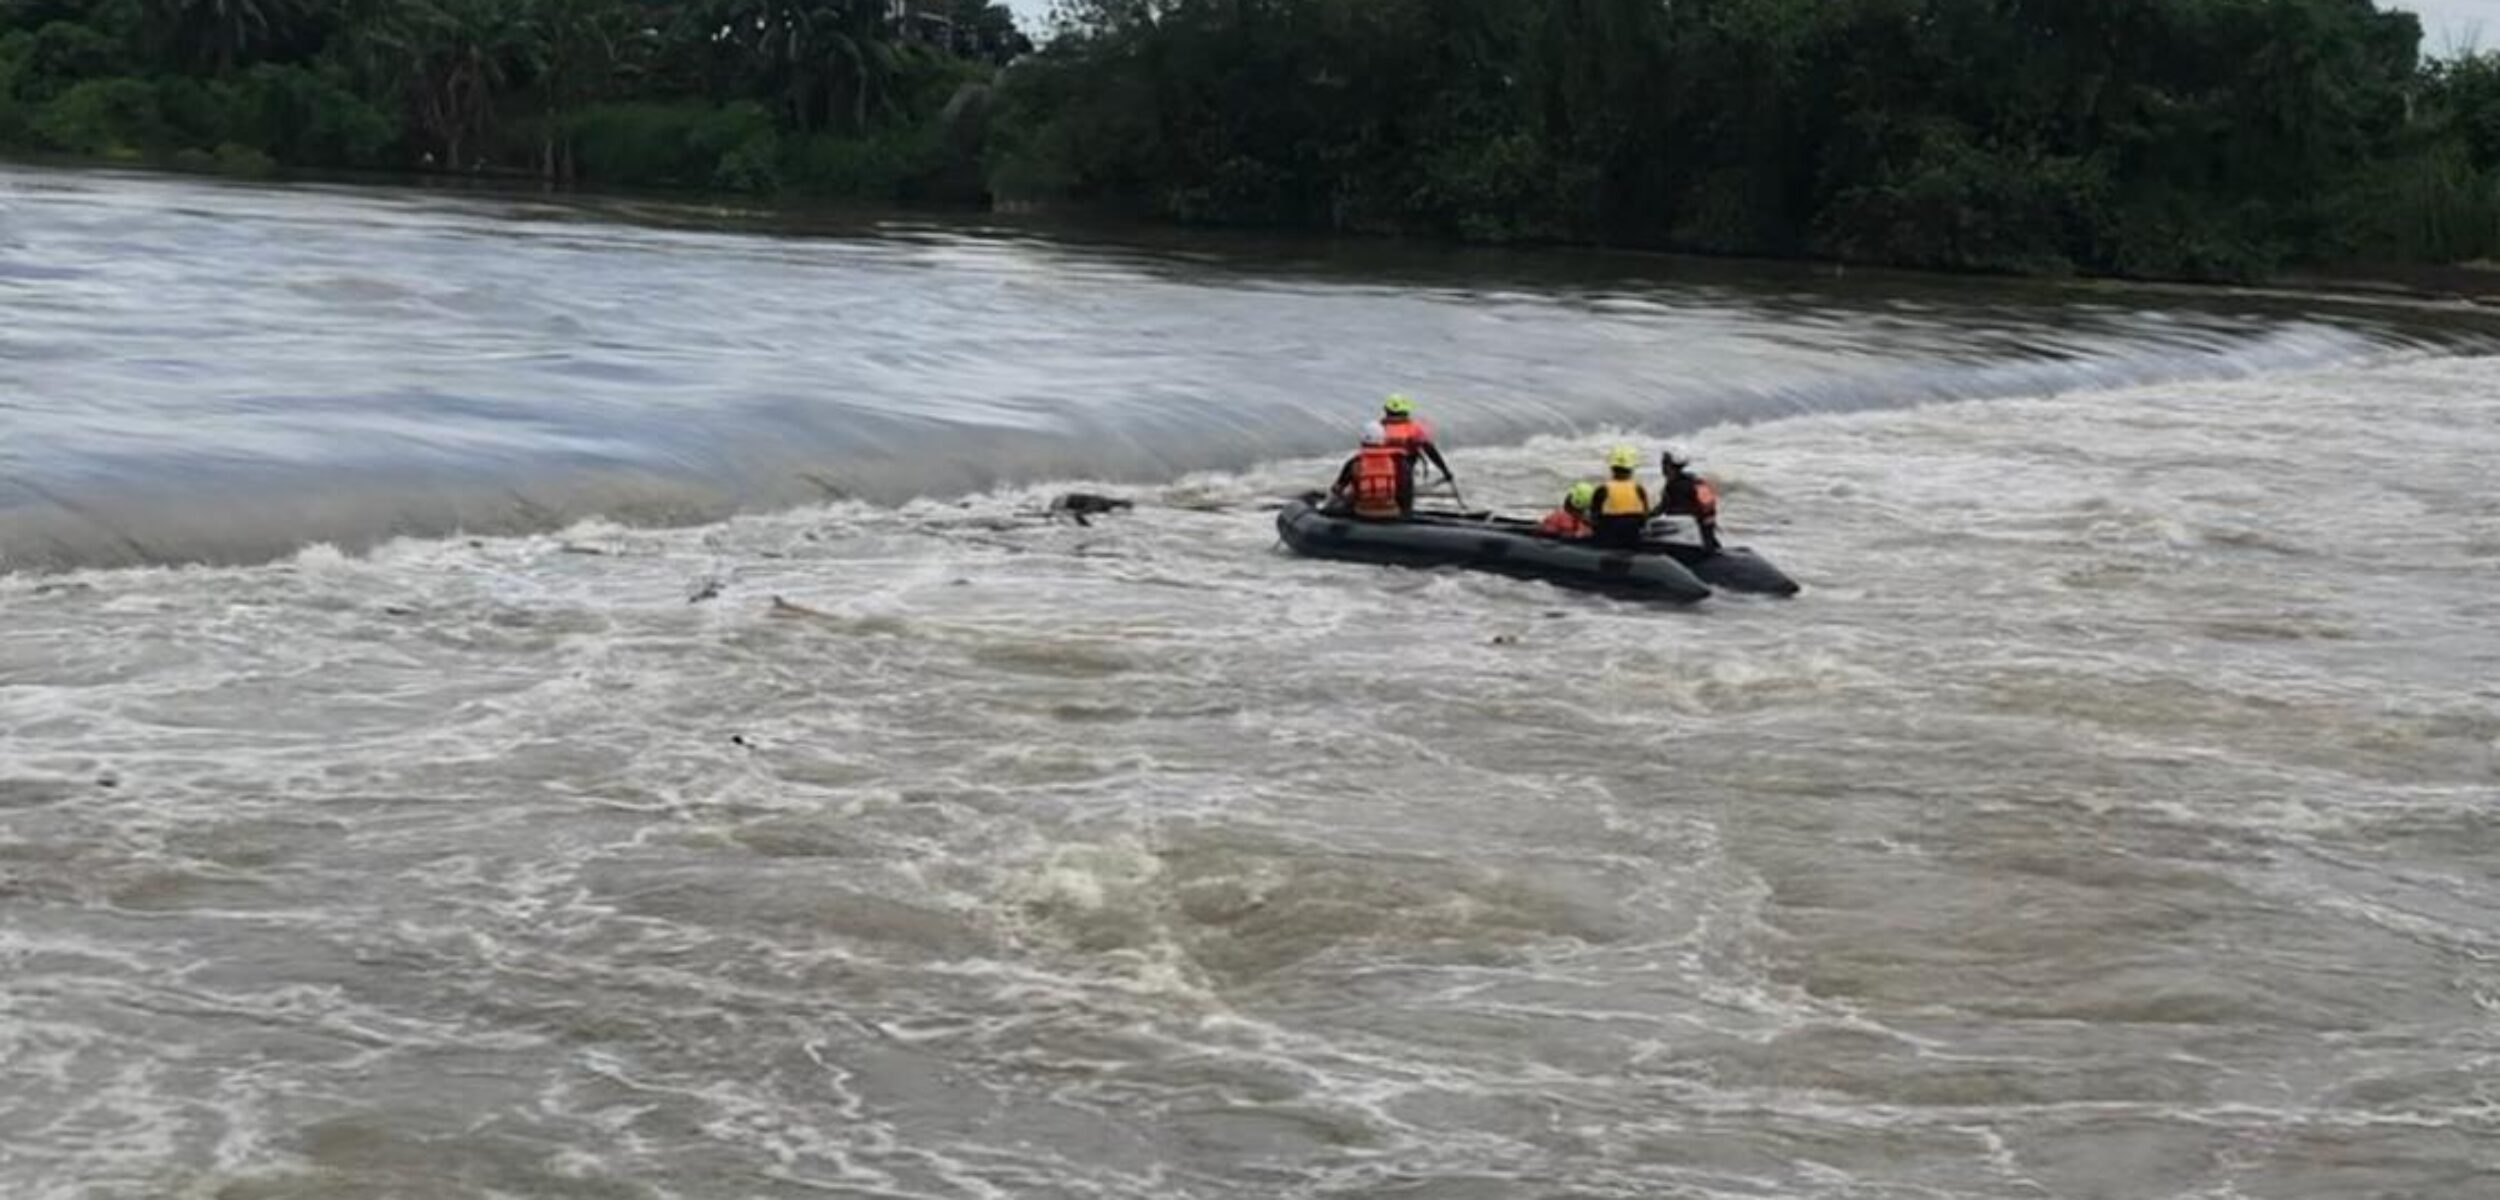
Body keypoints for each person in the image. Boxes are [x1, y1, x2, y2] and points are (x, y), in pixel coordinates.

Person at [1326, 421, 1414, 518]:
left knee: (1346, 496)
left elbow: (1337, 490)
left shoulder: (1355, 462)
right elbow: (1406, 490)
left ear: (1362, 441)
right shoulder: (1397, 461)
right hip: (1392, 511)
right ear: (1384, 440)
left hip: (1363, 512)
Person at [1378, 394, 1455, 490]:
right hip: (1405, 469)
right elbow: (1431, 451)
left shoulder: (1377, 428)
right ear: (1406, 411)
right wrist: (1445, 471)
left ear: (1386, 411)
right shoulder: (1415, 428)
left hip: (1380, 469)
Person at [1655, 449, 1723, 552]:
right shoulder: (1697, 481)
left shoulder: (1674, 486)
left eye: (1664, 463)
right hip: (1704, 534)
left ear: (1669, 466)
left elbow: (1663, 508)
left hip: (1688, 537)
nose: (1662, 468)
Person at [1587, 444, 1652, 548]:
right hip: (1632, 539)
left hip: (1608, 541)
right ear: (1631, 469)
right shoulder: (1639, 489)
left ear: (1612, 468)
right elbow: (1645, 517)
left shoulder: (1603, 489)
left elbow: (1594, 518)